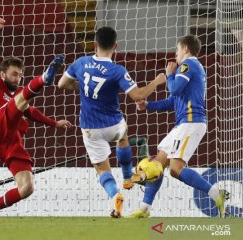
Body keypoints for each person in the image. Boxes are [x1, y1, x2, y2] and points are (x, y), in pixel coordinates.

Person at [0, 18, 72, 217]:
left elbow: (31, 112)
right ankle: (44, 78)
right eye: (13, 74)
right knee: (21, 99)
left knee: (26, 188)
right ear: (2, 74)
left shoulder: (18, 94)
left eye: (19, 75)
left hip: (10, 141)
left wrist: (55, 123)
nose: (16, 78)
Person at [58, 26, 166, 218]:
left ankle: (116, 195)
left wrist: (82, 86)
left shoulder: (81, 62)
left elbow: (62, 84)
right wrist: (157, 82)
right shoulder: (117, 70)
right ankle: (126, 177)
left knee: (101, 169)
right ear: (115, 46)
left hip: (90, 127)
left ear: (94, 44)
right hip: (113, 124)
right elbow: (138, 95)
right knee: (123, 137)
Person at [128, 35, 228, 218]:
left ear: (186, 50)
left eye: (177, 50)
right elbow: (172, 101)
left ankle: (216, 194)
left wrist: (169, 74)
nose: (175, 54)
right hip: (184, 124)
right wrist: (148, 105)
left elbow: (172, 89)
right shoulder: (189, 69)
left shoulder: (188, 65)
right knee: (157, 164)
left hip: (191, 123)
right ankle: (144, 209)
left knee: (175, 169)